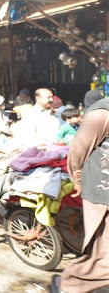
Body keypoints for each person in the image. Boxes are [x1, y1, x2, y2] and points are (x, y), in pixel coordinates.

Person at [52, 98, 109, 292]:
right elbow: (78, 150)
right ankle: (69, 284)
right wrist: (77, 178)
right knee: (104, 254)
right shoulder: (101, 114)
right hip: (103, 191)